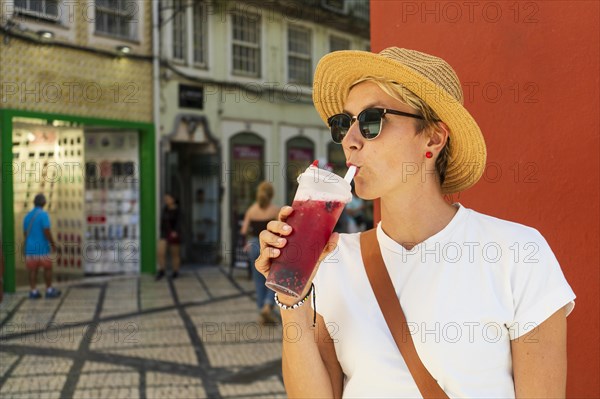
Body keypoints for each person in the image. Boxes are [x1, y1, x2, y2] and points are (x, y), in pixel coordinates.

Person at [255, 48, 576, 398]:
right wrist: (292, 302)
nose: (349, 139)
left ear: (433, 139)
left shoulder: (517, 254)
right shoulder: (333, 260)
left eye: (371, 121)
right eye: (343, 123)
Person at [241, 181, 279, 324]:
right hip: (269, 245)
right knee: (273, 278)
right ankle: (268, 305)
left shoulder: (251, 210)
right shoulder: (275, 210)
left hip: (253, 246)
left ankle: (261, 307)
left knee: (258, 279)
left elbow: (244, 231)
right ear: (271, 195)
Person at [23, 194, 60, 299]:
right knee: (48, 269)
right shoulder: (44, 215)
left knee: (32, 271)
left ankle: (33, 291)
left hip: (30, 249)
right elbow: (46, 231)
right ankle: (48, 290)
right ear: (44, 203)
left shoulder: (27, 216)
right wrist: (52, 244)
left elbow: (25, 233)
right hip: (42, 248)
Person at [156, 193, 182, 280]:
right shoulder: (165, 209)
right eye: (165, 198)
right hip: (164, 233)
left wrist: (176, 232)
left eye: (167, 198)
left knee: (175, 254)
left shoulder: (178, 210)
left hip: (174, 234)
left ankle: (175, 271)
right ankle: (162, 270)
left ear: (173, 199)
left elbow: (180, 222)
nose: (166, 200)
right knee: (160, 252)